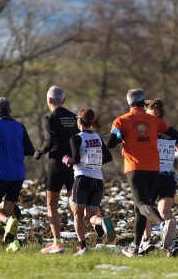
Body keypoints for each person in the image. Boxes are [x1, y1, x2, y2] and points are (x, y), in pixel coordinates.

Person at [105, 89, 178, 257]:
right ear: (142, 101)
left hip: (135, 168)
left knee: (142, 204)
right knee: (139, 207)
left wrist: (117, 135)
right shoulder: (153, 120)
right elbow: (175, 134)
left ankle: (162, 226)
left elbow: (110, 144)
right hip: (154, 168)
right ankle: (135, 247)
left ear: (129, 102)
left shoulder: (121, 121)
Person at [139, 99, 178, 257]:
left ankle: (146, 241)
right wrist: (169, 155)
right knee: (165, 212)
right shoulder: (170, 134)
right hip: (170, 177)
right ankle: (174, 244)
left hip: (154, 175)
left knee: (145, 208)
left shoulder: (150, 132)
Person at [34, 86, 80, 254]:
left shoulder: (49, 118)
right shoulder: (75, 117)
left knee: (51, 203)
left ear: (49, 101)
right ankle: (81, 241)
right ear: (64, 100)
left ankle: (57, 243)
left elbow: (50, 141)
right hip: (73, 164)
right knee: (73, 201)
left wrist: (39, 152)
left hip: (55, 164)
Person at [62, 108, 115, 256]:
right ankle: (103, 221)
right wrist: (96, 162)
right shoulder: (98, 138)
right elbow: (109, 157)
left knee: (78, 215)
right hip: (97, 181)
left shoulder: (76, 138)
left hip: (82, 179)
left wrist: (66, 160)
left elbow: (75, 160)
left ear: (79, 121)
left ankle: (83, 247)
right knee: (91, 216)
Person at [0, 97, 35, 252]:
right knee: (9, 207)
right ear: (10, 111)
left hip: (2, 172)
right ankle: (14, 243)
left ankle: (7, 222)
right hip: (18, 173)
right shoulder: (20, 126)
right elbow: (30, 150)